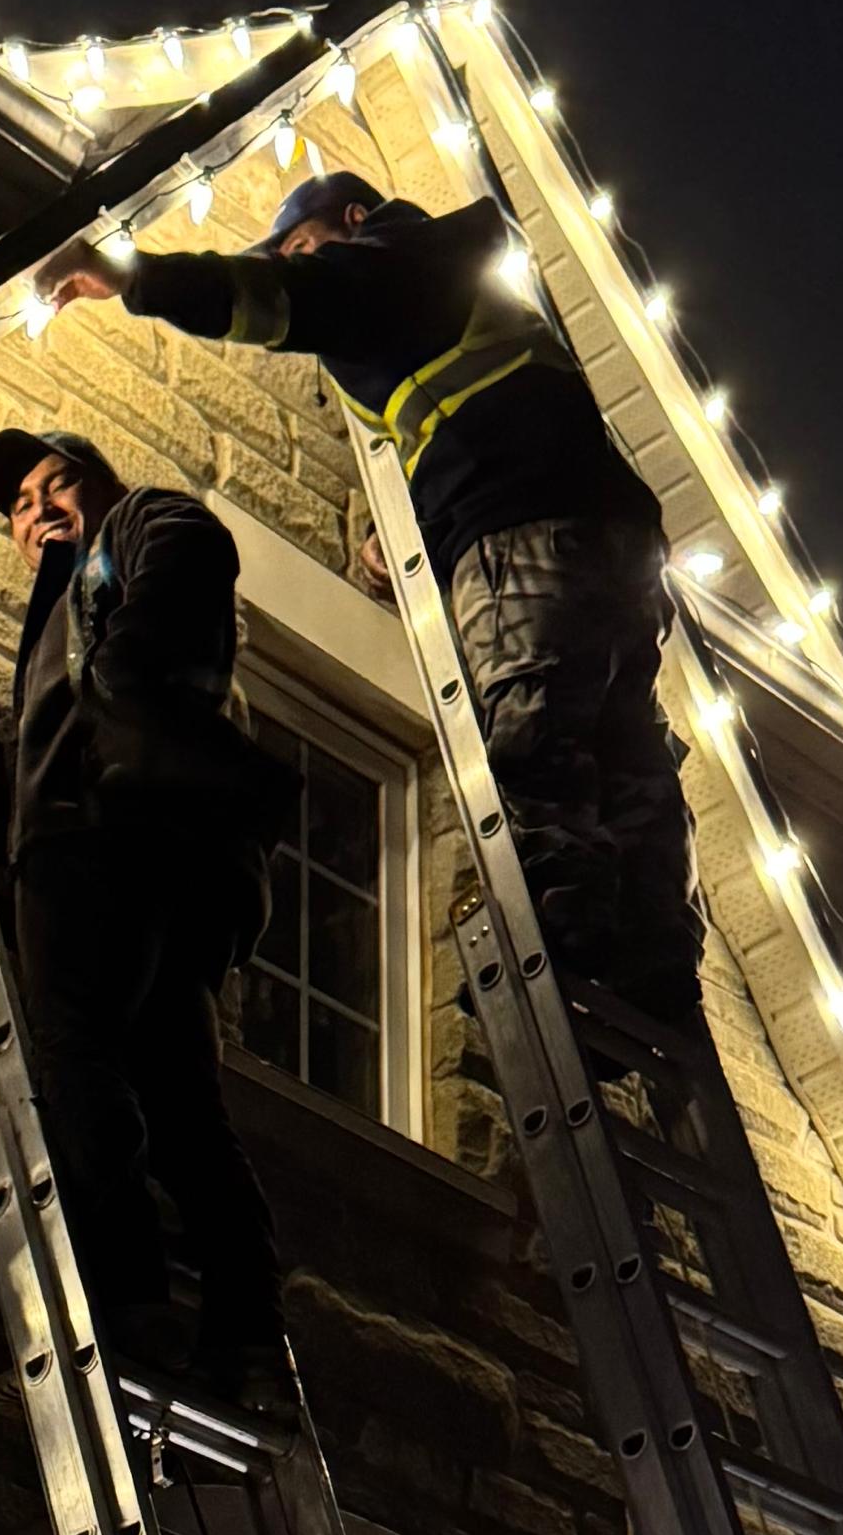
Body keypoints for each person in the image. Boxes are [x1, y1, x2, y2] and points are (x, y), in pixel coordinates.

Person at [50, 169, 706, 1021]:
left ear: (352, 221)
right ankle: (659, 959)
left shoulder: (397, 258)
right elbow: (481, 420)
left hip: (520, 527)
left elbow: (299, 302)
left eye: (300, 246)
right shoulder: (449, 289)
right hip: (608, 543)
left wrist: (138, 277)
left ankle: (560, 927)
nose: (297, 264)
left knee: (529, 726)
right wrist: (412, 538)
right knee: (624, 751)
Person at [0, 426, 300, 1403]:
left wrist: (121, 668)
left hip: (107, 852)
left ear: (98, 482)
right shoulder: (66, 624)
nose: (36, 513)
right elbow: (12, 777)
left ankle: (139, 1301)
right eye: (21, 509)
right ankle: (245, 1336)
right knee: (175, 1099)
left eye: (52, 485)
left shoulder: (130, 536)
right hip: (115, 848)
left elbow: (193, 551)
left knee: (85, 1064)